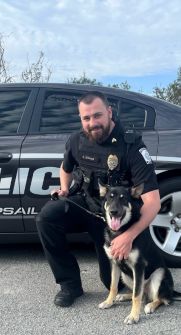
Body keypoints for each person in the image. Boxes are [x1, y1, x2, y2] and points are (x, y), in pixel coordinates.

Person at [35, 91, 161, 307]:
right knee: (46, 217)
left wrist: (128, 237)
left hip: (118, 218)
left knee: (113, 283)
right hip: (87, 205)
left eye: (97, 116)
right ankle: (70, 284)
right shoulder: (77, 139)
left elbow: (153, 202)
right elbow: (65, 168)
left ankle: (152, 285)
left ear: (109, 112)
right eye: (86, 118)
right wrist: (64, 189)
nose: (92, 123)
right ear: (81, 119)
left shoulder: (131, 145)